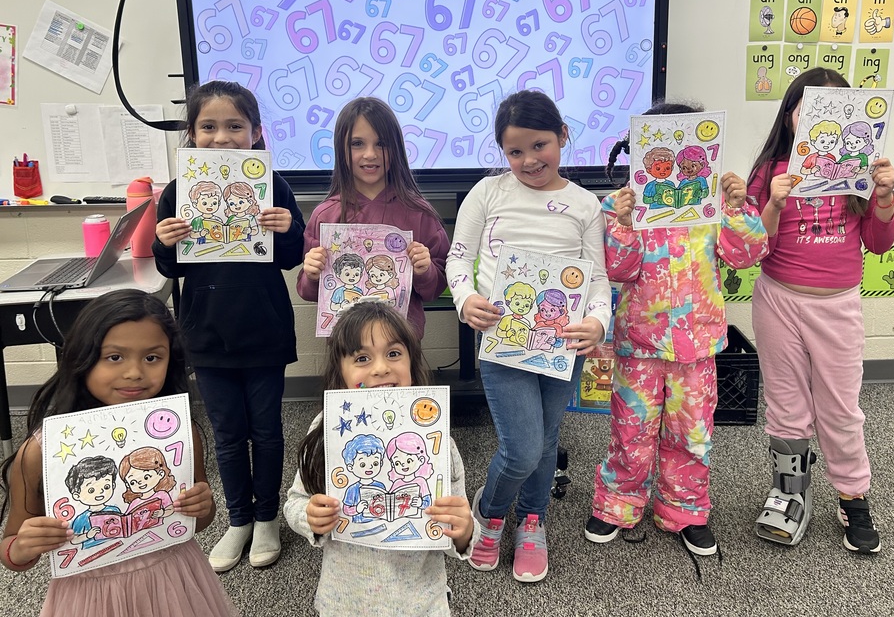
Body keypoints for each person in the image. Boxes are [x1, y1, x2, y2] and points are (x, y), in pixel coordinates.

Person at [584, 101, 768, 571]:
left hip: (697, 344)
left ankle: (684, 508)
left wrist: (737, 208)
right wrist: (624, 224)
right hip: (639, 343)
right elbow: (618, 270)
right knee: (631, 429)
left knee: (692, 431)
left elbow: (748, 255)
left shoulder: (713, 205)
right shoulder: (623, 205)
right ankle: (618, 503)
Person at [447, 90, 612, 583]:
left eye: (539, 146)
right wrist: (465, 298)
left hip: (563, 346)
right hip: (503, 341)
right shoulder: (488, 192)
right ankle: (491, 512)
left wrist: (598, 322)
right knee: (521, 447)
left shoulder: (585, 204)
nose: (529, 160)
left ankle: (533, 519)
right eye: (515, 152)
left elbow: (597, 277)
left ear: (562, 136)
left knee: (545, 440)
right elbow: (459, 257)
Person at [0, 289, 238, 616]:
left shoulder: (180, 434)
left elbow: (196, 522)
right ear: (82, 357)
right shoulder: (40, 451)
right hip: (91, 597)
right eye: (114, 357)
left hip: (174, 581)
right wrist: (24, 546)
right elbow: (12, 550)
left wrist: (202, 507)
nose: (134, 372)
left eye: (152, 358)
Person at [153, 80, 306, 572]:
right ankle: (238, 518)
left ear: (256, 132)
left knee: (267, 431)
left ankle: (267, 517)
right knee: (227, 434)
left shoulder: (274, 186)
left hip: (264, 331)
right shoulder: (177, 193)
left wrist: (288, 230)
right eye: (209, 127)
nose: (222, 138)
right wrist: (163, 242)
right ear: (192, 134)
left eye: (235, 126)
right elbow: (172, 268)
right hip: (206, 334)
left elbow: (292, 257)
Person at [746, 67, 894, 554]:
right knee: (785, 405)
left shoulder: (859, 169)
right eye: (808, 108)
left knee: (840, 408)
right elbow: (756, 249)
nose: (817, 119)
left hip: (837, 305)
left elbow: (879, 242)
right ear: (790, 116)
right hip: (778, 301)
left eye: (832, 109)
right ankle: (790, 493)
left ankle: (853, 495)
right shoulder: (770, 171)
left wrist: (885, 196)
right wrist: (772, 204)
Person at [284, 301, 478, 617]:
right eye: (362, 358)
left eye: (393, 353)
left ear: (412, 361)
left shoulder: (436, 440)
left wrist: (465, 531)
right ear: (340, 371)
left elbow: (459, 527)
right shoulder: (326, 429)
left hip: (420, 603)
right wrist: (310, 517)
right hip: (345, 603)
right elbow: (294, 502)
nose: (380, 368)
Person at [297, 96, 449, 339]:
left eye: (381, 144)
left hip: (401, 343)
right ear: (341, 148)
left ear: (396, 148)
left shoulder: (419, 213)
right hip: (347, 345)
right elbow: (308, 291)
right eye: (357, 143)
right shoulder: (325, 215)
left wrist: (425, 270)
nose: (370, 154)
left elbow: (436, 288)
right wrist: (312, 274)